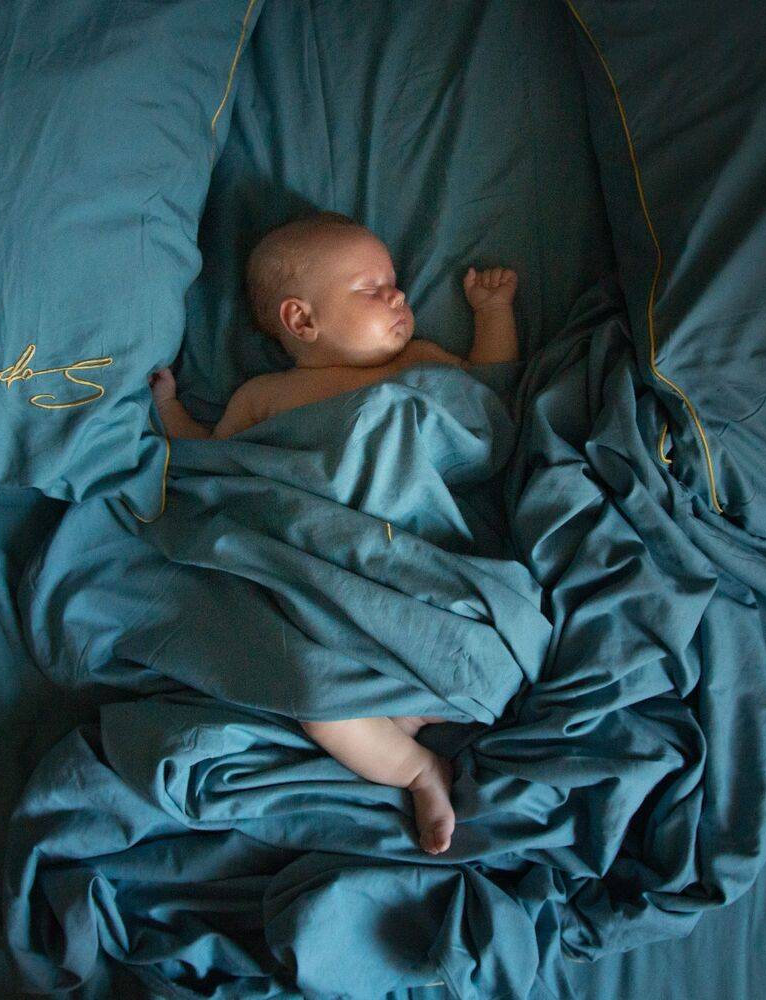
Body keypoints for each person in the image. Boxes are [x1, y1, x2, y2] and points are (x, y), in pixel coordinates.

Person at [148, 210, 518, 854]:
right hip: (320, 571)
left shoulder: (418, 362)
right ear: (301, 320)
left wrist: (492, 314)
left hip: (415, 554)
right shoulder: (263, 397)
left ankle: (412, 709)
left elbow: (489, 391)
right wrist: (169, 409)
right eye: (373, 288)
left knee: (468, 623)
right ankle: (417, 770)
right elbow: (216, 462)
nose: (398, 296)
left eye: (395, 284)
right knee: (316, 701)